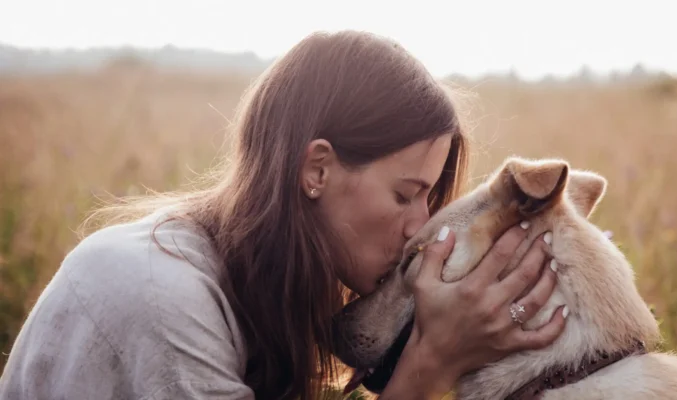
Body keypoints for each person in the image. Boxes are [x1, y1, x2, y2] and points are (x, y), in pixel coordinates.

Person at [0, 30, 567, 400]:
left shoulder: (259, 287)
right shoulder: (160, 296)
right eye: (404, 195)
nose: (421, 225)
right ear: (316, 170)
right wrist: (432, 362)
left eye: (429, 198)